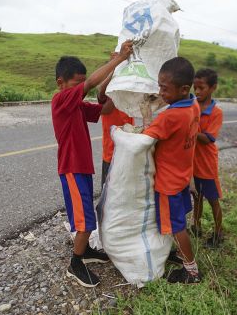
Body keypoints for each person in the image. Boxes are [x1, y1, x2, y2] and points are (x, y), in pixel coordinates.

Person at [51, 40, 133, 287]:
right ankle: (75, 264)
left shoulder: (75, 104)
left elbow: (105, 109)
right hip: (72, 169)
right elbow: (89, 85)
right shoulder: (61, 100)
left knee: (86, 216)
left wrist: (117, 77)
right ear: (61, 84)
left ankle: (85, 251)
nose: (81, 89)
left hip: (83, 168)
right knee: (85, 221)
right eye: (77, 84)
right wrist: (117, 60)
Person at [142, 56, 201, 284]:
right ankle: (180, 256)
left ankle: (191, 270)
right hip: (183, 176)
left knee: (177, 227)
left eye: (165, 89)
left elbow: (145, 137)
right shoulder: (193, 105)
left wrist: (146, 116)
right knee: (179, 223)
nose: (160, 92)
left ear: (184, 88)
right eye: (159, 86)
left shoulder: (170, 116)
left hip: (168, 183)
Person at [191, 68, 224, 247]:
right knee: (196, 196)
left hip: (207, 164)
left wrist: (191, 128)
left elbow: (208, 138)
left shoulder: (216, 112)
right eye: (195, 88)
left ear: (212, 88)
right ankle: (196, 227)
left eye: (201, 88)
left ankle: (219, 233)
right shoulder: (192, 105)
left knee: (212, 200)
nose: (197, 92)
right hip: (192, 163)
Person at [97, 63, 134, 189]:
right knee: (107, 196)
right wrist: (116, 68)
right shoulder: (109, 97)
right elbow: (101, 92)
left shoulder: (129, 96)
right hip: (111, 155)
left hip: (128, 154)